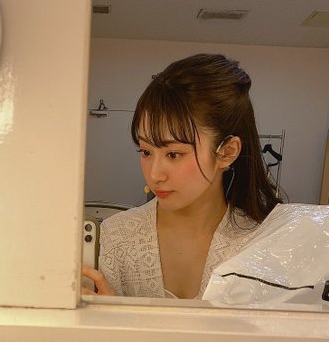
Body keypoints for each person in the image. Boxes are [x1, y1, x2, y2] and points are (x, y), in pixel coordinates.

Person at [82, 53, 282, 299]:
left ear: (227, 152)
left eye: (174, 154)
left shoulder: (262, 243)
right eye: (146, 152)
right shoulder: (118, 237)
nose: (154, 174)